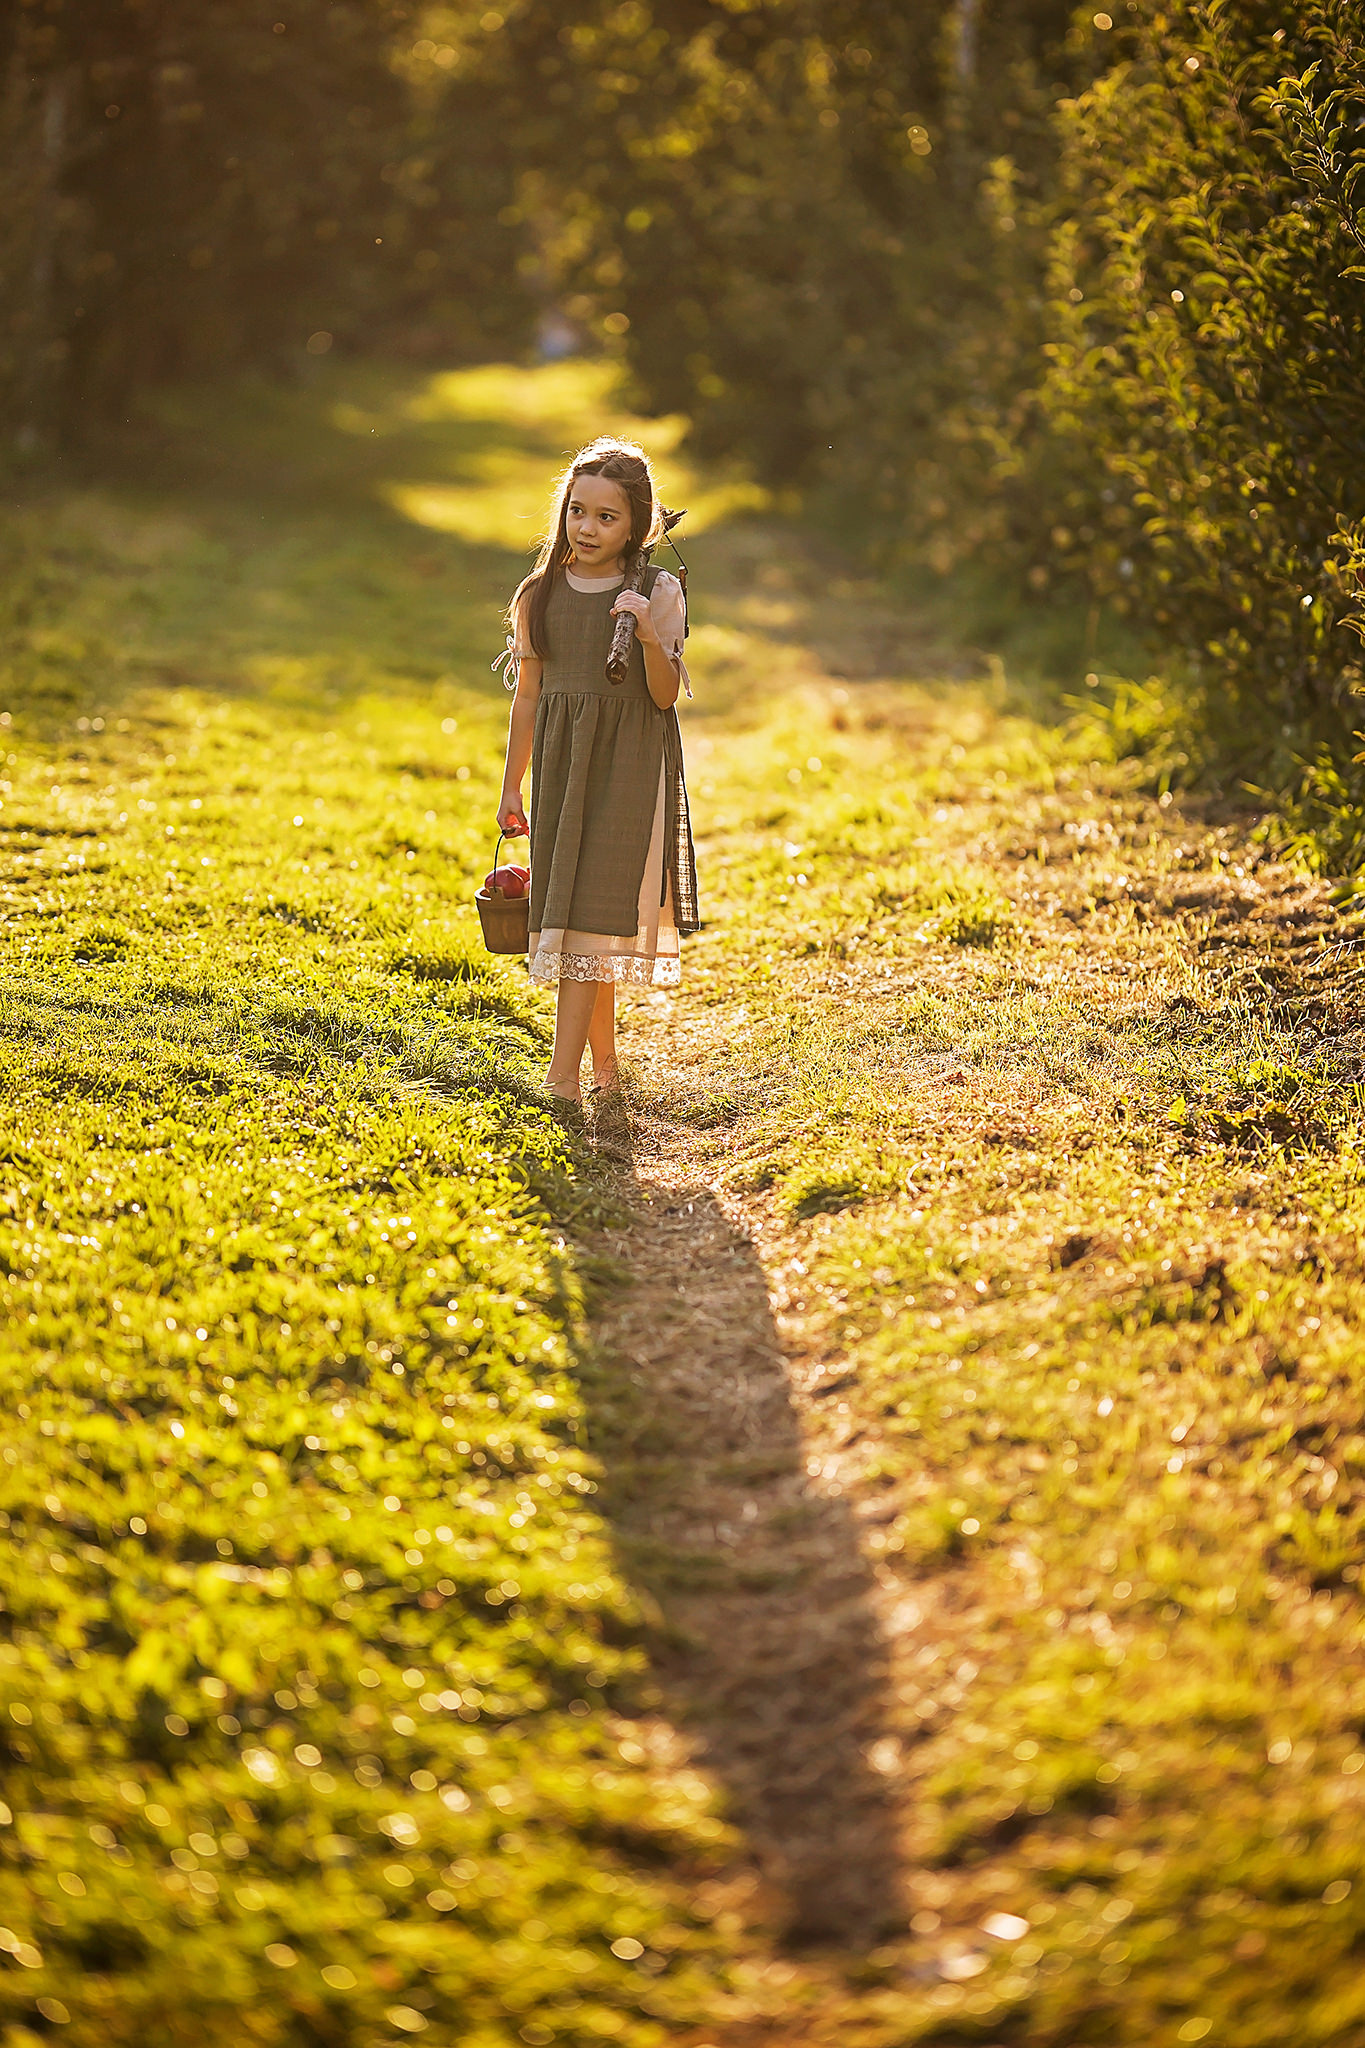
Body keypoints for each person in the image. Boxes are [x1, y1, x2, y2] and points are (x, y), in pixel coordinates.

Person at [495, 437, 699, 1110]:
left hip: (627, 769)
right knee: (580, 925)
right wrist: (510, 786)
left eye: (606, 517)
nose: (586, 528)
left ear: (635, 525)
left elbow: (665, 696)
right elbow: (527, 695)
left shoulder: (656, 592)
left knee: (589, 920)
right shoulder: (539, 593)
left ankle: (560, 1082)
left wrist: (644, 635)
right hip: (561, 767)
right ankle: (604, 1069)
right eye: (577, 511)